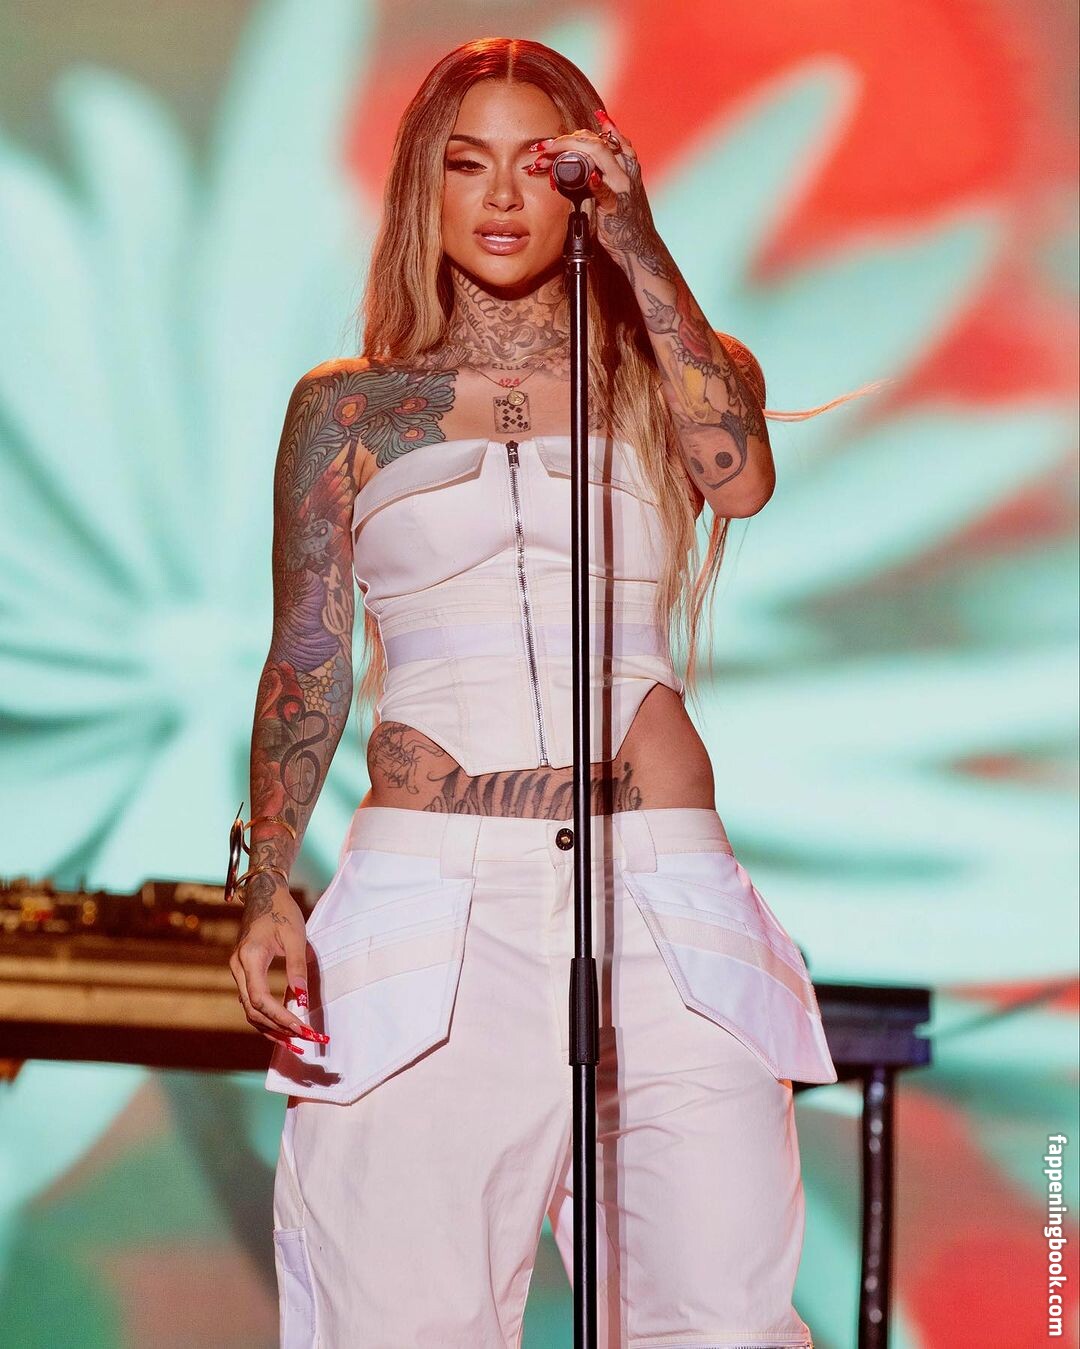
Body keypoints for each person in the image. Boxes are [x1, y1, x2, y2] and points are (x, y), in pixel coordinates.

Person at [229, 35, 876, 1349]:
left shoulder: (665, 374)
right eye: (467, 165)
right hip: (433, 896)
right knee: (396, 1317)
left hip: (658, 893)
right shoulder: (351, 413)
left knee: (713, 1319)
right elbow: (307, 655)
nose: (503, 197)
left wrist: (637, 244)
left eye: (539, 164)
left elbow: (741, 477)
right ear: (424, 188)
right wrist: (265, 885)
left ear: (588, 180)